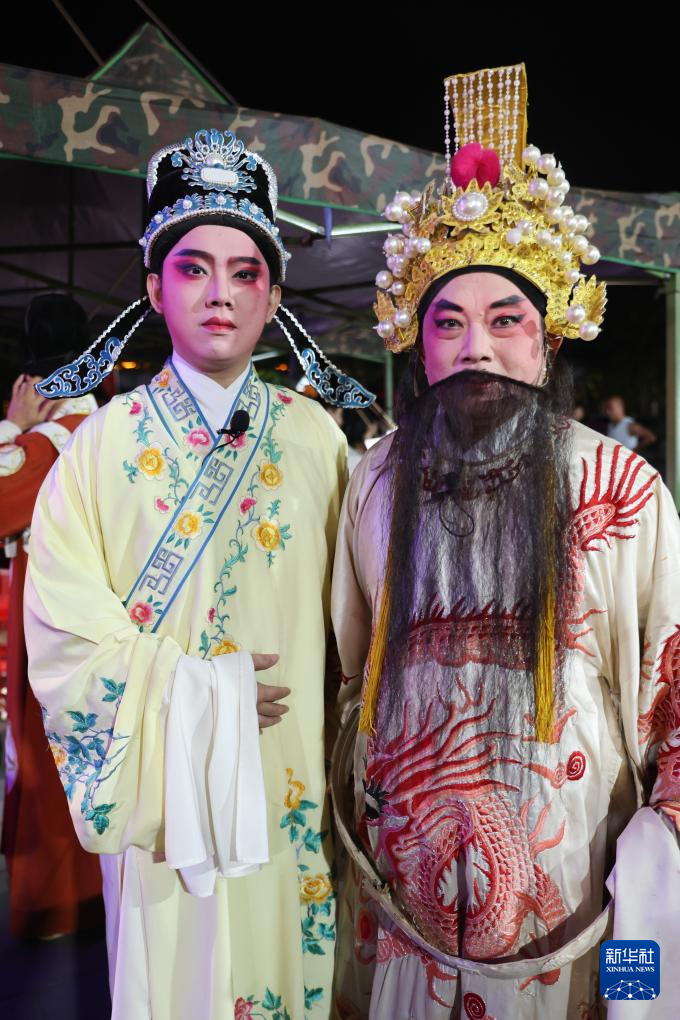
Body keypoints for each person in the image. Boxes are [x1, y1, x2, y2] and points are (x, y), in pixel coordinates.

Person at [330, 65, 680, 1019]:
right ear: (419, 343)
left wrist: (658, 872)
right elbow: (351, 675)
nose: (475, 346)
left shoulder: (622, 488)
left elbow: (674, 693)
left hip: (582, 904)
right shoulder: (375, 481)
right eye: (447, 322)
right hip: (404, 907)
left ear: (548, 340)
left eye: (505, 320)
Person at [24, 129, 372, 1019]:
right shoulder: (98, 448)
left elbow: (363, 627)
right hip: (161, 797)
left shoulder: (318, 440)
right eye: (193, 268)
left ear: (273, 296)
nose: (220, 293)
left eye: (246, 272)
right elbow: (60, 632)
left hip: (290, 783)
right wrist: (196, 693)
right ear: (154, 287)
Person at [0, 293, 102, 938]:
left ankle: (57, 906)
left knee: (47, 757)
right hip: (91, 612)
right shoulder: (105, 426)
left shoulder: (55, 440)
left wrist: (10, 425)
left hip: (50, 618)